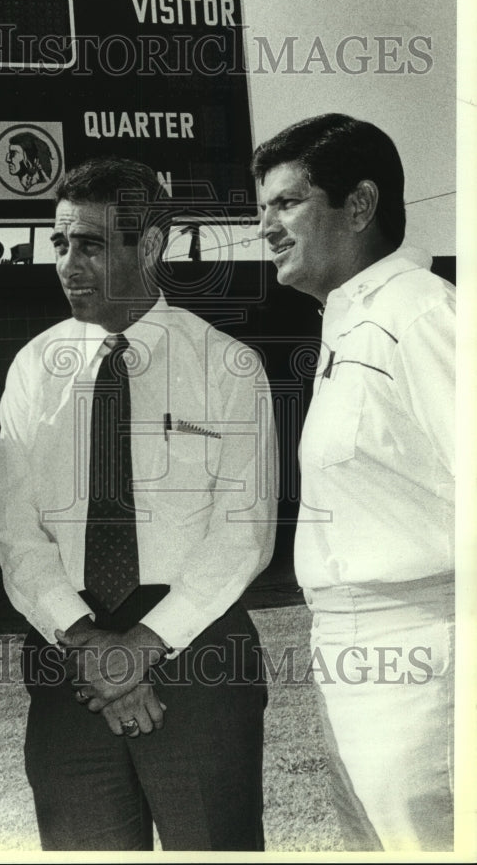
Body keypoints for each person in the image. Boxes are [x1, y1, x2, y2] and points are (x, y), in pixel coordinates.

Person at [0, 156, 277, 851]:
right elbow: (16, 533)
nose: (68, 264)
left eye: (89, 244)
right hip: (70, 657)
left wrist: (144, 647)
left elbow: (242, 532)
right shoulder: (33, 367)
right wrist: (91, 646)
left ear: (149, 246)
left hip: (198, 651)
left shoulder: (227, 365)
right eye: (59, 243)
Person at [252, 113, 455, 851]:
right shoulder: (348, 324)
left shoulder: (421, 313)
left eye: (287, 203)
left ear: (360, 205)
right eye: (263, 208)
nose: (266, 228)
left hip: (425, 655)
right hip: (349, 654)